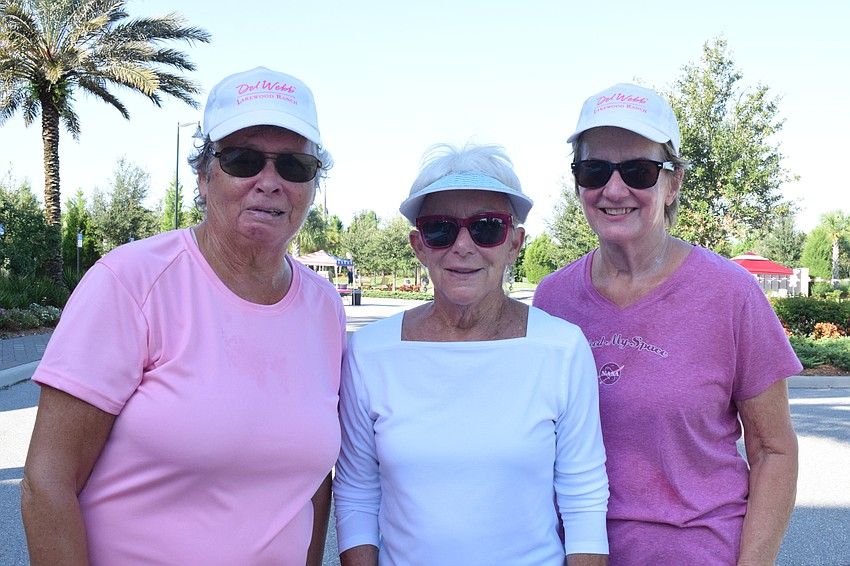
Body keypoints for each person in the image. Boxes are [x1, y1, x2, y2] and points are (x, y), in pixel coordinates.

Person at [21, 66, 344, 565]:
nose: (270, 182)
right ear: (202, 174)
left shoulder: (325, 309)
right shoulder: (130, 283)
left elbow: (312, 484)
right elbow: (48, 484)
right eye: (243, 160)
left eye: (295, 166)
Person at [533, 83, 801, 565]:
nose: (614, 190)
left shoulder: (732, 294)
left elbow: (774, 451)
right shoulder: (553, 298)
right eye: (594, 170)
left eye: (638, 170)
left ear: (672, 182)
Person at [333, 143, 610, 566]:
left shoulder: (562, 350)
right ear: (418, 245)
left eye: (486, 228)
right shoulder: (371, 353)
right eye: (441, 229)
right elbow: (356, 492)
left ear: (514, 243)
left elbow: (584, 498)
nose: (463, 246)